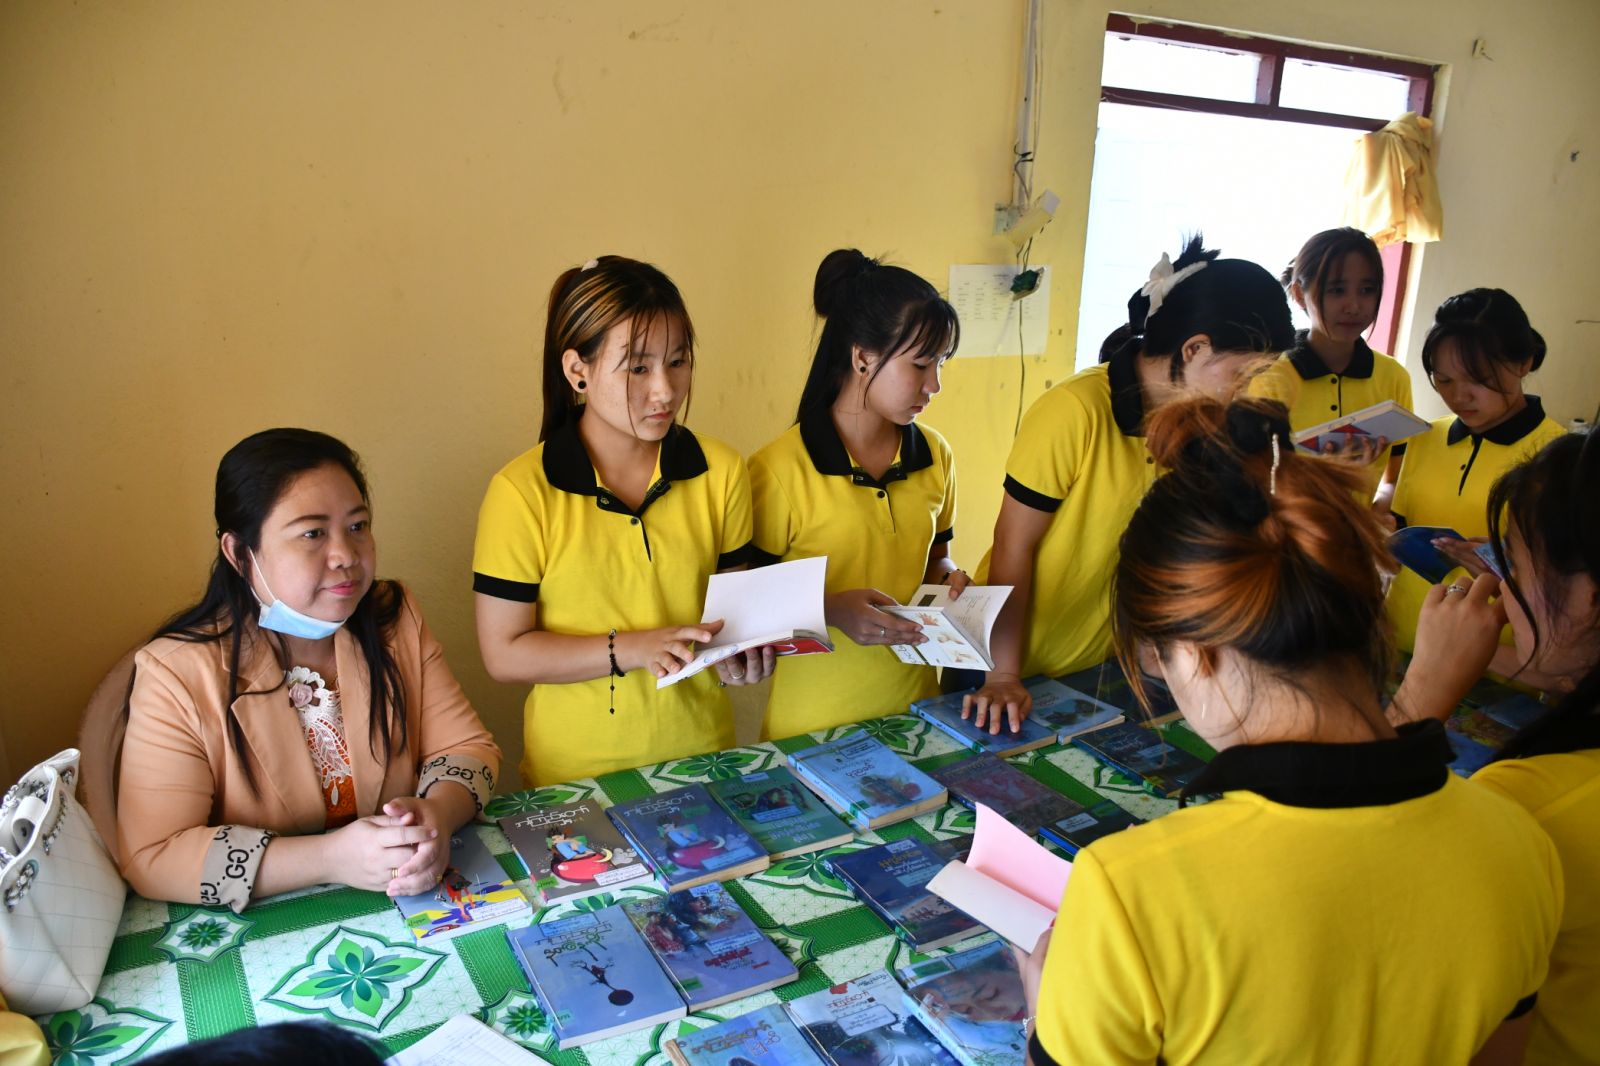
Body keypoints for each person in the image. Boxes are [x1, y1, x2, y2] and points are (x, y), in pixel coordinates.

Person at [1023, 395, 1561, 1065]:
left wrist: (1043, 1017)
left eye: (1156, 662)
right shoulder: (1518, 841)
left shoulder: (1129, 892)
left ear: (1193, 650)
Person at [117, 430, 500, 913]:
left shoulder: (392, 616)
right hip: (268, 924)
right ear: (239, 553)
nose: (346, 556)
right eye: (313, 533)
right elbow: (154, 855)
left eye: (357, 526)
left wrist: (436, 815)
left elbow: (467, 748)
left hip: (406, 897)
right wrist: (329, 858)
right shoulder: (175, 673)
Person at [964, 235, 1295, 733]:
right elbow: (1013, 546)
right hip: (1008, 666)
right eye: (1243, 373)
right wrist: (1003, 675)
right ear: (1195, 348)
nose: (1245, 390)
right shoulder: (1075, 411)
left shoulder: (1196, 424)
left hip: (1101, 667)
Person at [472, 256, 770, 787]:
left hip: (704, 760)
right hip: (576, 777)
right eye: (638, 368)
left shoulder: (721, 470)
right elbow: (504, 654)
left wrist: (745, 654)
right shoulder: (521, 492)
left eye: (678, 361)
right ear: (577, 371)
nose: (665, 390)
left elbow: (730, 620)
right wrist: (631, 648)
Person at [1395, 431, 1599, 1065]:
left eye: (1510, 564)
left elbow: (1357, 876)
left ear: (1590, 598)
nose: (1497, 589)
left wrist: (1420, 693)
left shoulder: (1526, 812)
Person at [748, 249, 964, 738]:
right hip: (812, 728)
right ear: (862, 357)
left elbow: (936, 559)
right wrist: (832, 610)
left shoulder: (936, 455)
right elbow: (744, 610)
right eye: (921, 364)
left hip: (917, 715)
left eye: (941, 364)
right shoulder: (778, 469)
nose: (934, 385)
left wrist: (951, 582)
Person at [1383, 288, 1564, 653]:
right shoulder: (1424, 436)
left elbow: (1567, 591)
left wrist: (1508, 574)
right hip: (1400, 642)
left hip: (1498, 660)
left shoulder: (1559, 458)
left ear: (1524, 363)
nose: (1458, 396)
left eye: (1479, 379)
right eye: (1444, 380)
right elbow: (1399, 530)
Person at [1249, 226, 1412, 501]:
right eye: (1337, 290)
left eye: (1367, 290)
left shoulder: (1394, 377)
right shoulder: (1268, 376)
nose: (1354, 306)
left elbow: (1395, 479)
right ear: (1299, 294)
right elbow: (1251, 483)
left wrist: (1377, 512)